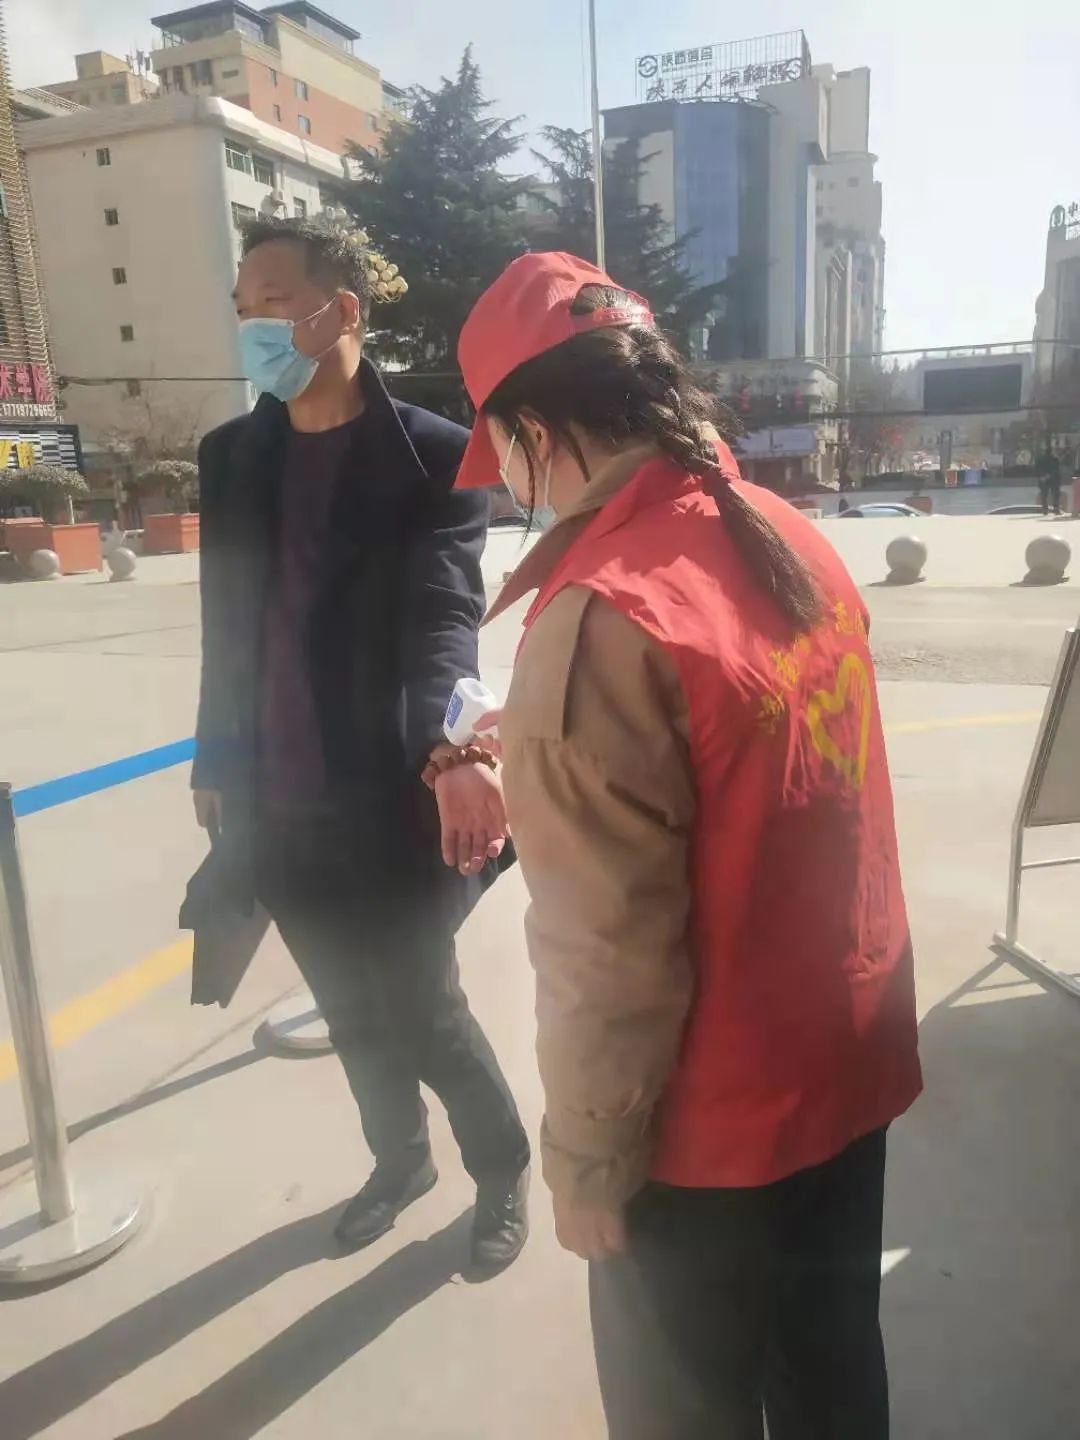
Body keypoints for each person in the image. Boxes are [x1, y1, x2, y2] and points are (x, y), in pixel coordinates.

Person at [446, 252, 922, 1437]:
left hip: (704, 1135)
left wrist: (587, 1165)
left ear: (534, 432)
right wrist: (557, 732)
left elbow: (605, 953)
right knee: (832, 1379)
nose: (509, 483)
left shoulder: (602, 614)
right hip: (843, 1068)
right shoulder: (786, 533)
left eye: (502, 451)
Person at [191, 217, 530, 1267]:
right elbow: (223, 618)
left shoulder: (436, 454)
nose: (253, 323)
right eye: (242, 305)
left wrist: (455, 752)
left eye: (272, 299)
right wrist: (214, 758)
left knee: (425, 1009)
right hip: (273, 793)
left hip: (392, 791)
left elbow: (442, 616)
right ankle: (400, 1160)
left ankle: (501, 1171)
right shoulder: (231, 456)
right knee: (346, 1008)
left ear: (340, 309)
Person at [1038, 448, 1062, 515]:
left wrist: (1042, 477)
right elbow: (1056, 469)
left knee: (1044, 495)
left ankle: (1045, 510)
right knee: (1055, 495)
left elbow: (1037, 469)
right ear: (1052, 452)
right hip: (1054, 480)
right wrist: (1048, 476)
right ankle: (1056, 510)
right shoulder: (1055, 459)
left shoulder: (1040, 459)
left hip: (1043, 479)